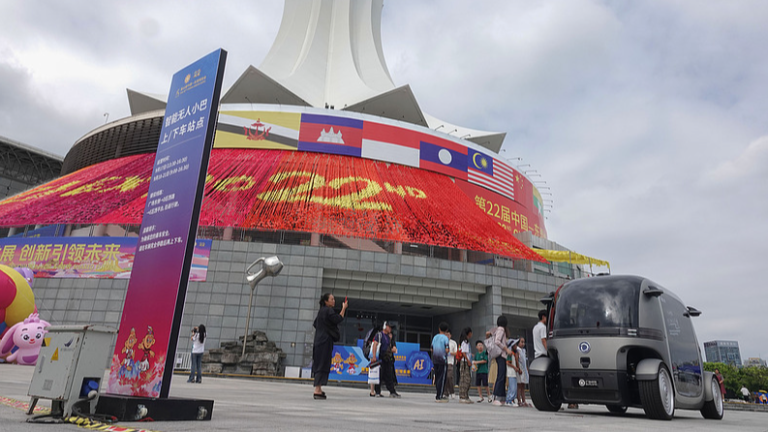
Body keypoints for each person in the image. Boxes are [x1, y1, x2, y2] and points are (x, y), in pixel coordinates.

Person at [312, 293, 347, 399]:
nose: (334, 301)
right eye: (332, 299)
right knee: (323, 364)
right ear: (326, 301)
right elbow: (338, 319)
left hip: (318, 341)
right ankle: (317, 390)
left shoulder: (321, 311)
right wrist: (344, 308)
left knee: (319, 364)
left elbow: (315, 324)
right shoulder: (328, 310)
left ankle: (318, 388)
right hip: (325, 341)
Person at [489, 316, 514, 406]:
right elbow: (497, 341)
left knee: (502, 375)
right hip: (501, 354)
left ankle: (502, 397)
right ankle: (496, 396)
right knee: (500, 375)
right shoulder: (501, 329)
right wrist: (506, 349)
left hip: (501, 355)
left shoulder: (498, 329)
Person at [371, 321, 400, 397]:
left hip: (388, 358)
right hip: (380, 358)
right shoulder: (379, 335)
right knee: (379, 375)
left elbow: (393, 346)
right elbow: (375, 345)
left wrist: (393, 347)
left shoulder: (390, 336)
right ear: (385, 326)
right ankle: (377, 392)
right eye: (389, 327)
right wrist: (374, 356)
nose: (390, 329)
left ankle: (392, 391)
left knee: (389, 375)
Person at [431, 322, 451, 403]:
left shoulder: (435, 337)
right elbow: (447, 349)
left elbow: (432, 349)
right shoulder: (445, 338)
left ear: (439, 329)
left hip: (435, 360)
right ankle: (439, 396)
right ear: (446, 330)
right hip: (443, 360)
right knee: (442, 378)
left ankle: (438, 394)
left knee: (437, 377)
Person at [458, 327, 474, 404]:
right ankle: (463, 396)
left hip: (466, 361)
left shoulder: (466, 342)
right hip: (464, 362)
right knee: (465, 379)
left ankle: (466, 395)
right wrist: (468, 361)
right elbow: (463, 352)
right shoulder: (465, 342)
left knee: (467, 379)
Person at [505, 339, 521, 407]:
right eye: (514, 345)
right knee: (513, 388)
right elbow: (508, 363)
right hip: (511, 372)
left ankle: (509, 400)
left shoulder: (515, 354)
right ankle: (509, 400)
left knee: (513, 387)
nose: (516, 346)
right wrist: (515, 368)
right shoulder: (510, 354)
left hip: (514, 373)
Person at [443, 330, 457, 399]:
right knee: (445, 378)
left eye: (448, 335)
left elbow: (456, 352)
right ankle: (446, 393)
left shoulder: (453, 343)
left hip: (450, 362)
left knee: (449, 377)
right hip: (443, 362)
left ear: (450, 335)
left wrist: (449, 353)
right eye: (446, 335)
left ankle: (452, 392)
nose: (447, 336)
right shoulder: (442, 342)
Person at [516, 337, 530, 407]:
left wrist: (526, 369)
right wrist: (518, 368)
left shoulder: (523, 350)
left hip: (524, 368)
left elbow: (524, 361)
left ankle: (524, 401)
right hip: (520, 368)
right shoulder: (517, 350)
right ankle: (519, 401)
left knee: (523, 386)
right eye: (521, 342)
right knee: (519, 385)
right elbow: (517, 360)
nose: (523, 343)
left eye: (524, 342)